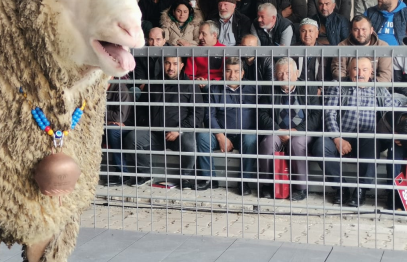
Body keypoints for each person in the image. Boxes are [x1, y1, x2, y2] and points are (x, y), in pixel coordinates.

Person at [312, 58, 402, 207]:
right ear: (348, 71)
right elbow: (329, 113)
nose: (360, 73)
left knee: (373, 144)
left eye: (364, 70)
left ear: (371, 72)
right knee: (320, 147)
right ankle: (342, 188)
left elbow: (395, 110)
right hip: (341, 133)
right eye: (356, 69)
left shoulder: (379, 89)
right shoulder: (339, 86)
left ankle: (361, 191)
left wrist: (398, 130)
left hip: (367, 136)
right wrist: (337, 138)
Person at [123, 56, 203, 188]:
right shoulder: (153, 83)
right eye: (167, 63)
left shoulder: (190, 85)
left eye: (175, 64)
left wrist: (180, 129)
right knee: (133, 138)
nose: (171, 67)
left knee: (189, 140)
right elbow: (141, 108)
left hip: (179, 135)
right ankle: (145, 174)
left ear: (182, 65)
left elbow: (198, 113)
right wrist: (148, 124)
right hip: (155, 134)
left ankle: (186, 177)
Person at [258, 58, 321, 201]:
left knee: (297, 143)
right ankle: (268, 185)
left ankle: (301, 187)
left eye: (288, 72)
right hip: (277, 132)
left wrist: (296, 130)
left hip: (301, 133)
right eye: (280, 73)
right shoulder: (269, 89)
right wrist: (277, 130)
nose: (284, 77)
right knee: (267, 143)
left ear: (296, 73)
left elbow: (316, 115)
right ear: (275, 74)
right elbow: (261, 113)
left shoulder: (308, 88)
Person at [196, 57, 257, 195]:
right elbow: (209, 115)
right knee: (203, 137)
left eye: (236, 71)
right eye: (228, 71)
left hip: (245, 134)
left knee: (251, 139)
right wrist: (220, 136)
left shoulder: (253, 88)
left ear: (242, 73)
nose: (232, 75)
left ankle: (244, 181)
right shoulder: (214, 89)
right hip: (221, 133)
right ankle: (209, 179)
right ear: (223, 72)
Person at [332, 15, 392, 82]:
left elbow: (385, 75)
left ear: (371, 30)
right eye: (356, 29)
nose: (360, 33)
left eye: (364, 29)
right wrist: (349, 86)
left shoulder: (382, 47)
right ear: (351, 31)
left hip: (374, 89)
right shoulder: (342, 46)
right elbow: (338, 70)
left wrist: (366, 87)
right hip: (348, 87)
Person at [102, 80, 133, 186]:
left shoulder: (120, 89)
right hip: (103, 124)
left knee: (113, 130)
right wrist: (107, 120)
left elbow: (120, 117)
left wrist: (100, 114)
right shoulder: (95, 88)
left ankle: (122, 173)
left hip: (125, 126)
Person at [295, 18, 332, 84]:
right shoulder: (292, 50)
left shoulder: (325, 51)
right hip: (298, 89)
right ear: (300, 33)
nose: (307, 35)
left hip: (319, 90)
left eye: (310, 31)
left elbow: (329, 75)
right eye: (303, 31)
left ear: (317, 34)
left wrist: (321, 88)